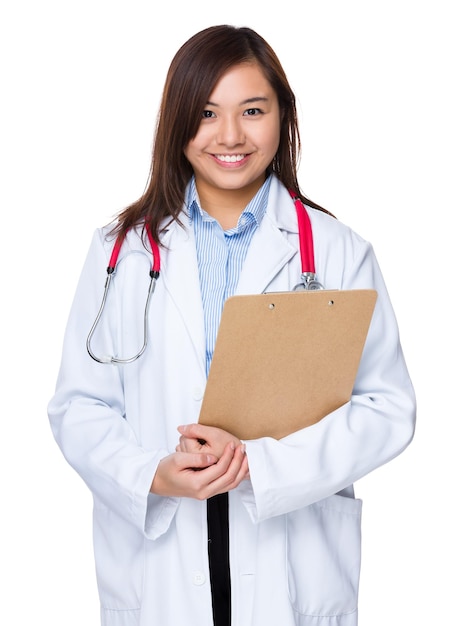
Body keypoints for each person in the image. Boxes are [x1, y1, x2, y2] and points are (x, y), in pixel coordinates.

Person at [47, 24, 416, 626]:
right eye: (207, 113)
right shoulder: (121, 251)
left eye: (252, 110)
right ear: (177, 123)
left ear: (283, 116)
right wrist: (152, 477)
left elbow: (386, 407)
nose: (230, 136)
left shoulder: (338, 252)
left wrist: (264, 466)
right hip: (160, 557)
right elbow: (79, 407)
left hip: (292, 557)